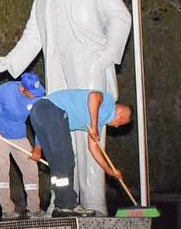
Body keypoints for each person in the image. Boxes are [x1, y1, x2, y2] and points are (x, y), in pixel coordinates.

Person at [0, 0, 132, 215]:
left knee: (90, 136)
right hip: (57, 72)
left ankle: (94, 202)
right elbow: (32, 37)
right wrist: (7, 63)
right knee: (57, 138)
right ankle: (63, 200)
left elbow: (120, 17)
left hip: (89, 66)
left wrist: (107, 55)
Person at [29, 88, 132, 216]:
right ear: (121, 112)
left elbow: (93, 147)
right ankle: (69, 204)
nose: (117, 126)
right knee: (67, 160)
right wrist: (93, 126)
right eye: (121, 122)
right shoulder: (109, 102)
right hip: (53, 110)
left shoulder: (100, 122)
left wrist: (109, 170)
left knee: (57, 164)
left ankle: (61, 205)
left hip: (38, 112)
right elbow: (94, 97)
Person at [0, 71, 46, 218]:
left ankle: (34, 209)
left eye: (37, 92)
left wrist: (38, 148)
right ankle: (7, 210)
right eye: (32, 93)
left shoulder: (38, 97)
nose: (35, 95)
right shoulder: (7, 90)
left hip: (19, 137)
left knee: (31, 169)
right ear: (23, 89)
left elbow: (41, 123)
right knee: (2, 171)